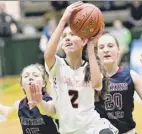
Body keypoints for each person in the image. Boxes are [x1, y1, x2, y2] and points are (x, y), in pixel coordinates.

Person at [30, 1, 119, 134]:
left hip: (92, 127)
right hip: (68, 130)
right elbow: (48, 54)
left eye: (72, 35)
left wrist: (91, 45)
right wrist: (63, 20)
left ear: (83, 40)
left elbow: (97, 84)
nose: (67, 38)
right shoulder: (57, 65)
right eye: (64, 36)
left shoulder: (90, 67)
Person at [94, 33, 142, 134]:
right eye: (101, 47)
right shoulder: (92, 80)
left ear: (118, 51)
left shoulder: (132, 76)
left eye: (110, 46)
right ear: (96, 53)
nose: (106, 50)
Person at [0, 64, 59, 134]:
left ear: (43, 83)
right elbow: (8, 113)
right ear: (21, 84)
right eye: (26, 76)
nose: (30, 78)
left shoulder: (50, 101)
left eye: (35, 75)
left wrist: (40, 103)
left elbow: (49, 109)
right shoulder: (20, 106)